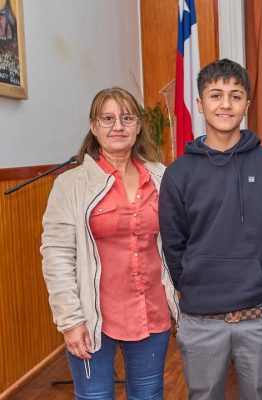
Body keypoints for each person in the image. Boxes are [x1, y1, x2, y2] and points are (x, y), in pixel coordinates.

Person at [159, 59, 262, 400]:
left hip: (259, 318)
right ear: (200, 104)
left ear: (247, 104)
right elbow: (173, 244)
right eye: (216, 95)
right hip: (201, 320)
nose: (226, 104)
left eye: (235, 96)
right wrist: (193, 282)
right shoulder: (177, 174)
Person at [41, 87, 179, 400]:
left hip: (150, 312)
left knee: (148, 395)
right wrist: (70, 321)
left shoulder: (162, 177)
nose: (118, 126)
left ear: (139, 125)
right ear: (93, 126)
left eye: (126, 118)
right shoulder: (70, 185)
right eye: (107, 118)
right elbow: (57, 257)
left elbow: (177, 241)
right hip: (92, 319)